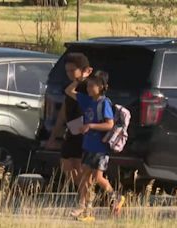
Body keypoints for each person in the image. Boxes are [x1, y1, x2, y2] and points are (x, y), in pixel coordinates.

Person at [65, 71, 125, 218]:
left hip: (100, 148)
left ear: (102, 87)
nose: (89, 88)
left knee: (98, 177)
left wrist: (90, 126)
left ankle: (115, 197)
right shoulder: (87, 100)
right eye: (88, 85)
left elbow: (109, 124)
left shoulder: (104, 103)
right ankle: (83, 207)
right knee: (84, 177)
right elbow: (68, 91)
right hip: (88, 146)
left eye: (92, 86)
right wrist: (80, 79)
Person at [45, 53, 92, 188]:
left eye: (73, 70)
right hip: (72, 129)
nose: (70, 74)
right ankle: (85, 194)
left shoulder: (88, 87)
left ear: (84, 70)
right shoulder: (71, 85)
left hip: (84, 130)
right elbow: (63, 113)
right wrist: (54, 135)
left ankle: (86, 198)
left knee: (80, 165)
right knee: (67, 164)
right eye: (67, 71)